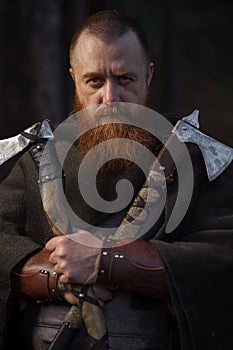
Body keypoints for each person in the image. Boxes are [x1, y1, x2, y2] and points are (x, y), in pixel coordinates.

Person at [0, 9, 233, 350]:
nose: (110, 98)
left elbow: (224, 253)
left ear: (148, 77)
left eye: (124, 79)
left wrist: (108, 261)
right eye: (94, 80)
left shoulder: (197, 160)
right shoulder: (35, 161)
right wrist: (55, 276)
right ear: (74, 78)